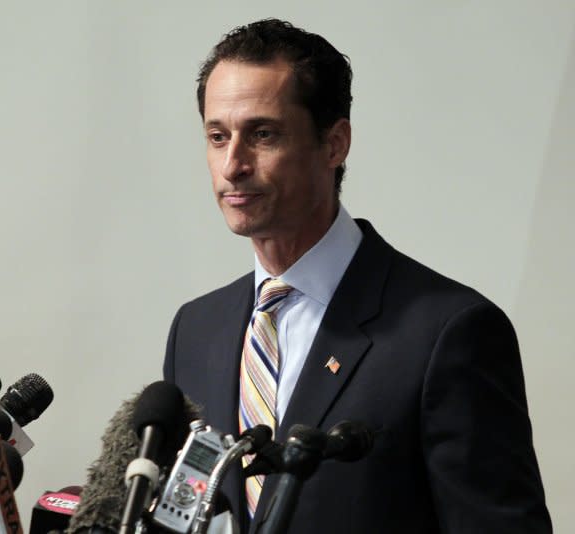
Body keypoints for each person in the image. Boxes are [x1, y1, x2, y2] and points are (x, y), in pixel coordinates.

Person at [162, 19, 551, 533]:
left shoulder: (449, 332)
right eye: (217, 136)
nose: (233, 165)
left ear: (335, 144)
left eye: (262, 134)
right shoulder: (196, 329)